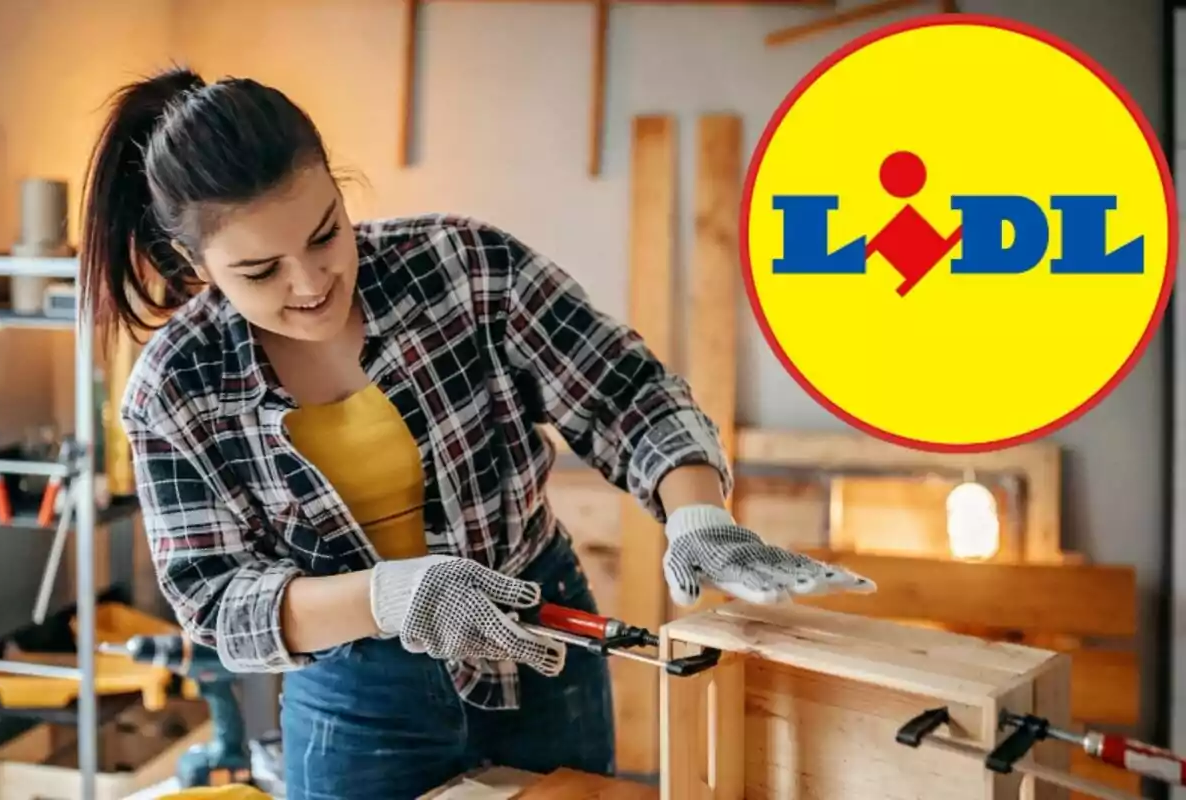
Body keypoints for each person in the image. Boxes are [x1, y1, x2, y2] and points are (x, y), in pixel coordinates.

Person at [79, 66, 875, 799]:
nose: (312, 282)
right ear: (194, 261)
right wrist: (393, 594)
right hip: (358, 693)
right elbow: (215, 603)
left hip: (539, 639)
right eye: (260, 272)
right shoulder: (174, 388)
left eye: (326, 233)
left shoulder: (461, 266)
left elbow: (626, 393)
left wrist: (698, 511)